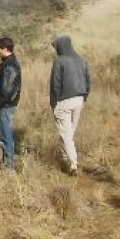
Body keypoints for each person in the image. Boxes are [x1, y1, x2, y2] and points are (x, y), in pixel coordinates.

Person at [49, 35, 91, 175]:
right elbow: (87, 81)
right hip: (79, 100)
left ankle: (73, 163)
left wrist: (53, 103)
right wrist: (84, 97)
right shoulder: (82, 60)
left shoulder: (59, 61)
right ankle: (65, 158)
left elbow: (55, 84)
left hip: (63, 101)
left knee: (66, 134)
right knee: (69, 132)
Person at [0, 37, 23, 171]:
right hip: (5, 105)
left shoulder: (9, 65)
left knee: (5, 136)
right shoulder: (8, 63)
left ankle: (9, 167)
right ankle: (7, 164)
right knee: (4, 135)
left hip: (5, 106)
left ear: (5, 49)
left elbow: (6, 90)